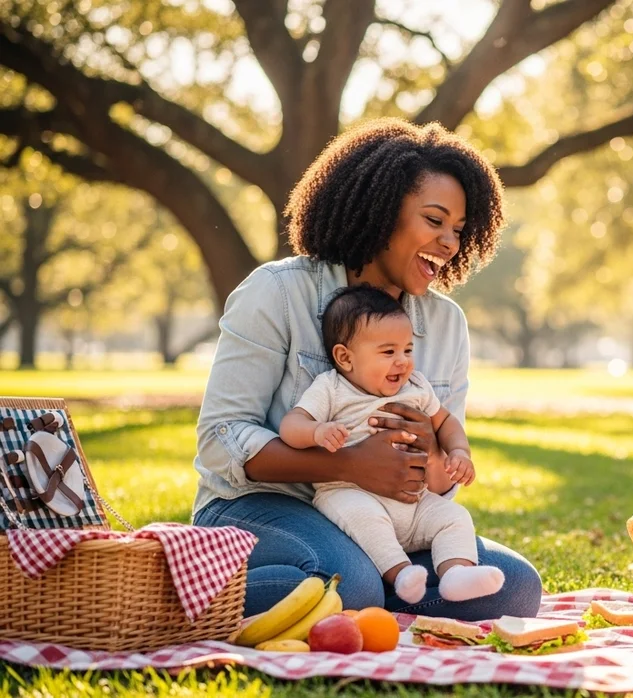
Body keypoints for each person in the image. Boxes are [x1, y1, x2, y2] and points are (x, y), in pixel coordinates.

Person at [192, 118, 541, 620]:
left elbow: (442, 480)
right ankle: (180, 596)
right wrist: (345, 463)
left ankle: (371, 592)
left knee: (514, 590)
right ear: (381, 212)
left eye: (458, 230)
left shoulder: (446, 324)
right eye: (434, 220)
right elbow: (222, 438)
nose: (448, 242)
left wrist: (433, 454)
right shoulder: (278, 293)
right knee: (350, 585)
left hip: (389, 520)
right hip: (258, 505)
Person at [279, 285, 504, 605]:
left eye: (408, 350)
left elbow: (446, 422)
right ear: (345, 357)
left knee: (454, 517)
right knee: (362, 515)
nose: (402, 362)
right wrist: (316, 431)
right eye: (388, 352)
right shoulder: (332, 388)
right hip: (350, 492)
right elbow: (291, 425)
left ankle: (455, 574)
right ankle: (401, 574)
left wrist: (459, 452)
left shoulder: (416, 386)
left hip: (415, 501)